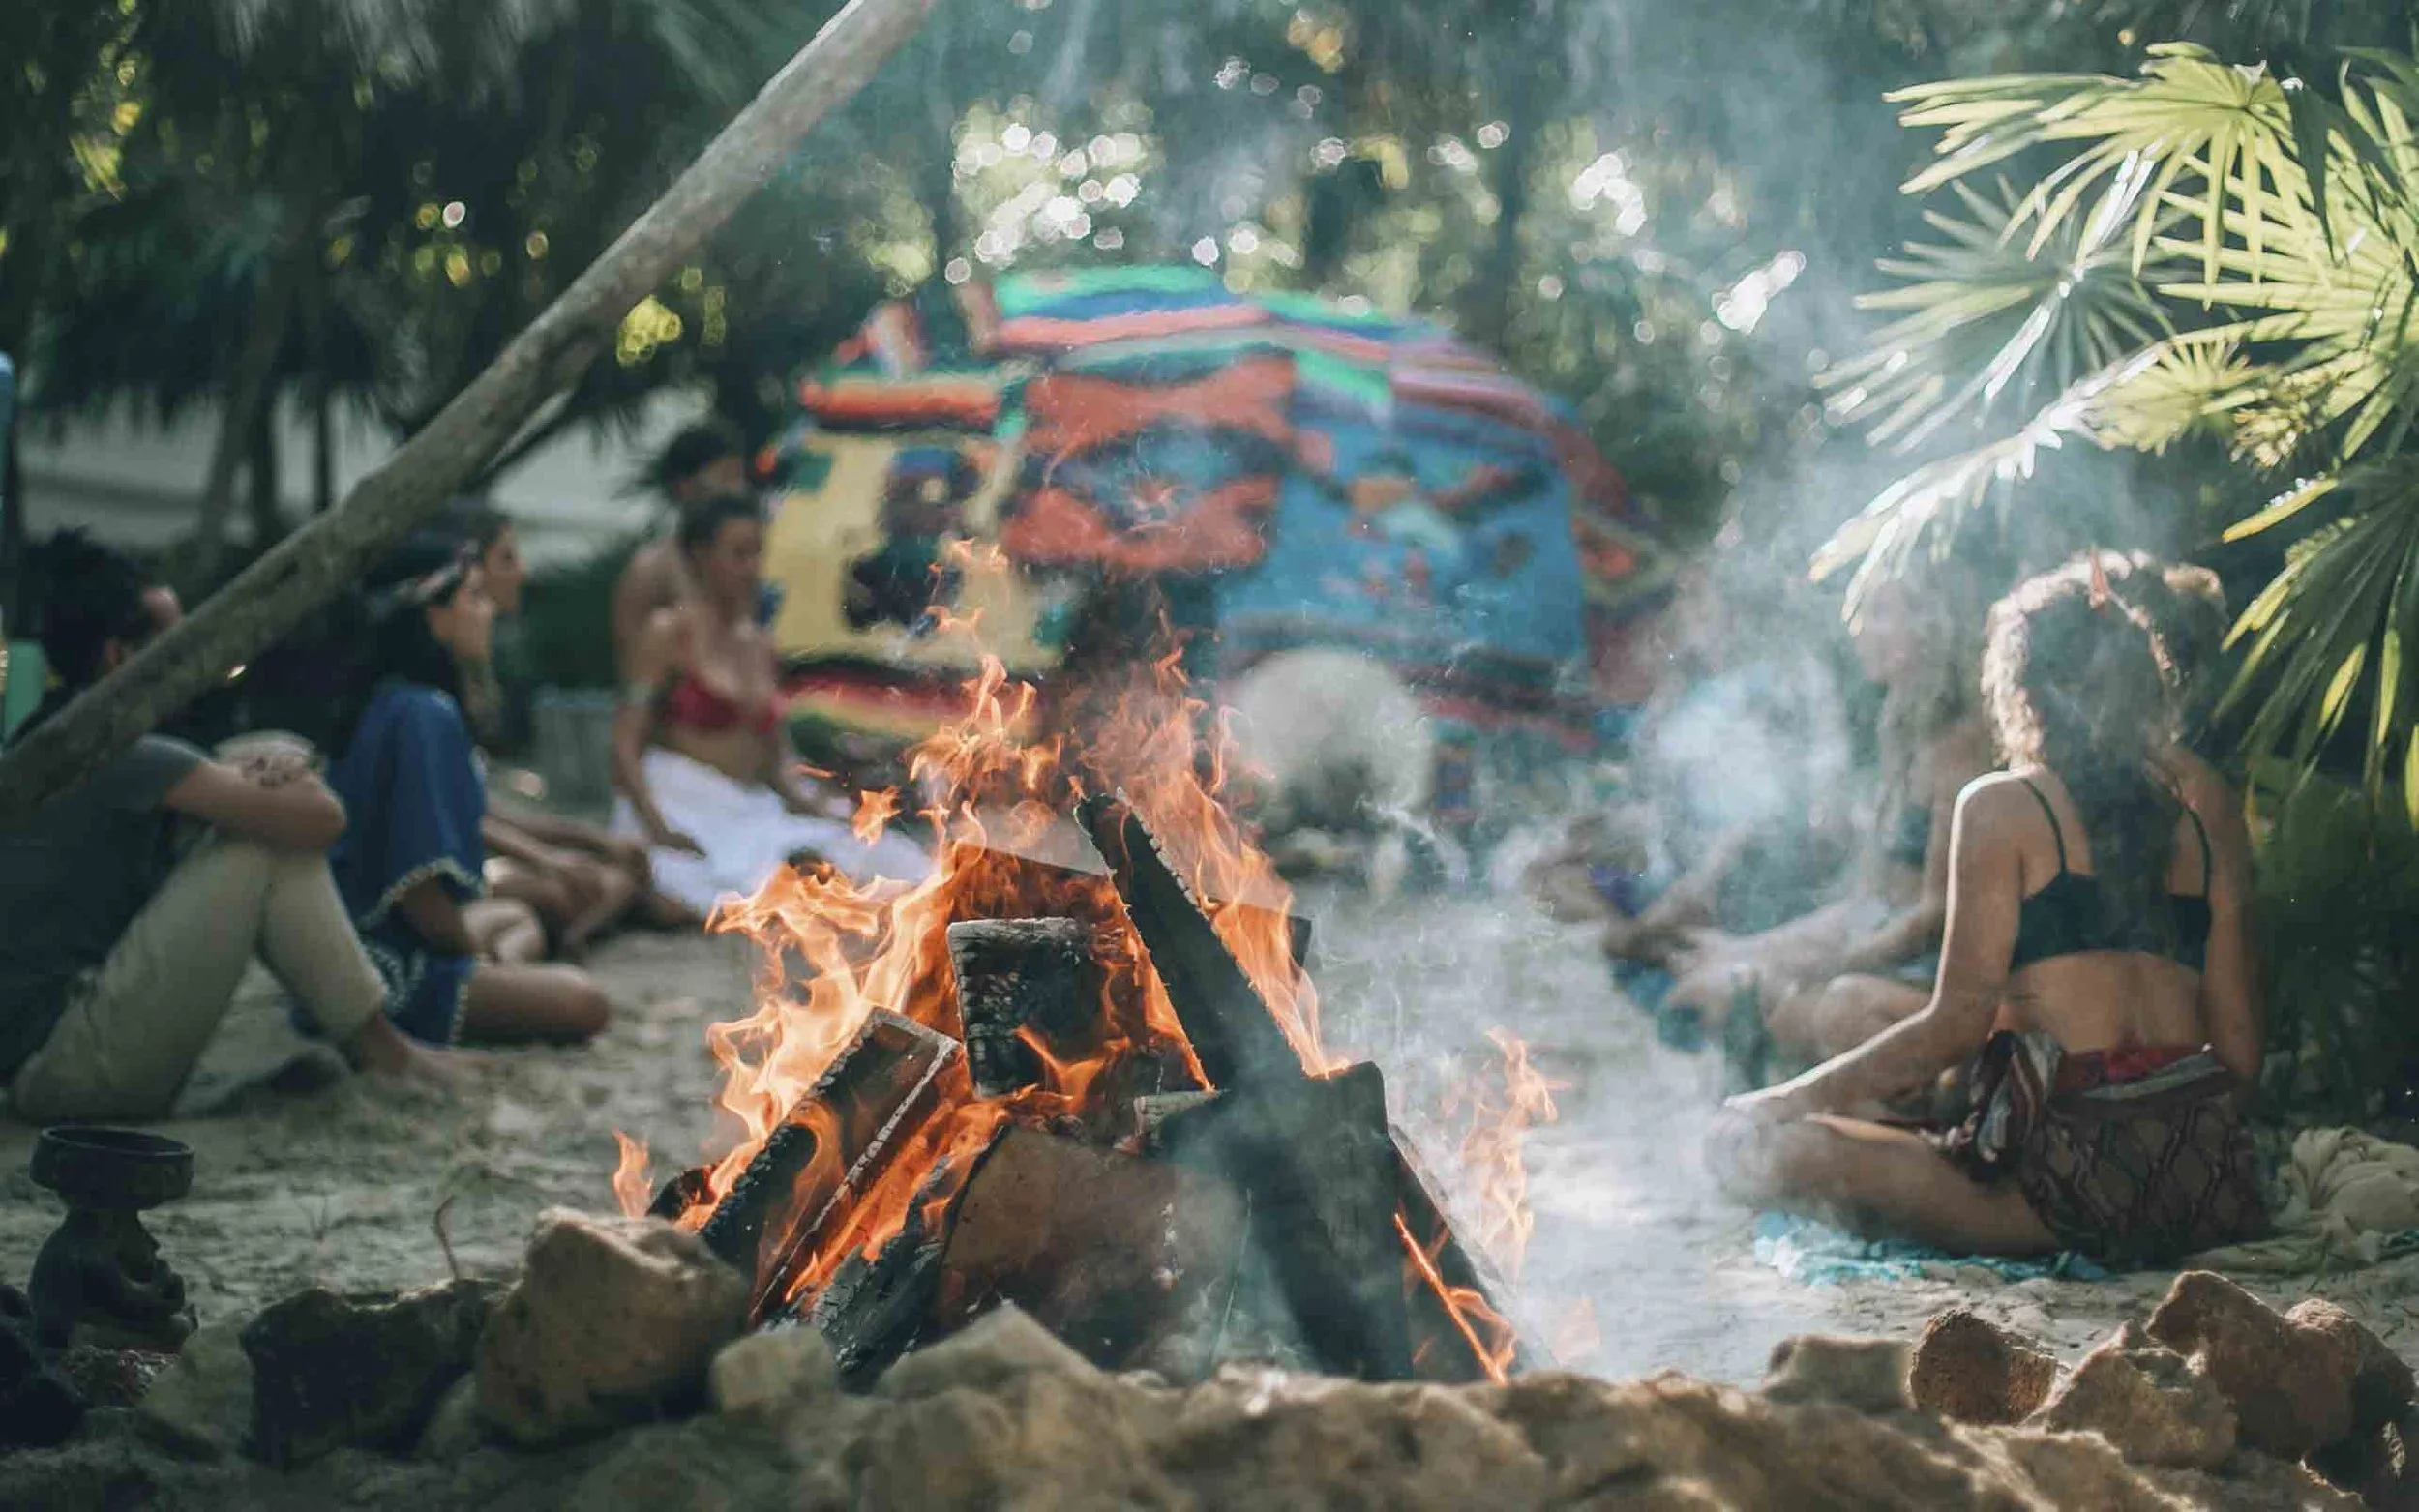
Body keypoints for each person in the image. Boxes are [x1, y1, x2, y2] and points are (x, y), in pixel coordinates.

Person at [1709, 563, 2265, 1263]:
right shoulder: (2208, 802)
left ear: (2022, 690)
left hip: (2072, 1191)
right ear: (2141, 681)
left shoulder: (2004, 806)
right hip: (2210, 1185)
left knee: (1759, 1148)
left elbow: (1952, 1027)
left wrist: (1780, 1099)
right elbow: (2241, 1055)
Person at [0, 532, 451, 1120]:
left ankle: (381, 1047)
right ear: (119, 658)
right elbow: (323, 820)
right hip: (66, 1073)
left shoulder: (60, 735)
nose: (198, 663)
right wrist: (275, 773)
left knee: (260, 796)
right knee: (260, 848)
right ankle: (385, 1050)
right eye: (176, 644)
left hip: (59, 1056)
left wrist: (268, 765)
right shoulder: (117, 750)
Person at [1657, 567, 1997, 1067]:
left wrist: (1813, 964)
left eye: (1881, 613)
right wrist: (1749, 949)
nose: (1860, 629)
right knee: (1700, 974)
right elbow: (1869, 898)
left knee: (1712, 995)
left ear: (1933, 625)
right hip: (1879, 946)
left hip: (1920, 973)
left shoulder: (1960, 747)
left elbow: (1935, 915)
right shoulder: (1902, 727)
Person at [325, 536, 610, 1045]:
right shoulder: (423, 714)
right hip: (393, 969)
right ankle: (496, 979)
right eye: (473, 598)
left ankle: (503, 975)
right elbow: (418, 894)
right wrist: (470, 956)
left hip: (383, 945)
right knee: (585, 1002)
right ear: (432, 616)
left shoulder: (397, 700)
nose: (487, 613)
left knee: (520, 915)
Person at [612, 494, 928, 919]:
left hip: (746, 805)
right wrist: (658, 827)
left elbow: (779, 760)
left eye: (757, 552)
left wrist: (828, 807)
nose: (751, 567)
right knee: (745, 888)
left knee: (882, 858)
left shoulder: (759, 643)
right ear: (701, 557)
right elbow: (625, 745)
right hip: (680, 799)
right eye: (738, 554)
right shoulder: (668, 633)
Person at [446, 500, 665, 954]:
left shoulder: (474, 672)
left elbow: (481, 808)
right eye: (506, 558)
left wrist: (589, 839)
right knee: (589, 885)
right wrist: (551, 860)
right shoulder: (433, 691)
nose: (522, 573)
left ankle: (562, 928)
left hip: (483, 859)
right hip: (451, 873)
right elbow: (466, 820)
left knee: (623, 868)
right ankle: (557, 931)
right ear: (467, 570)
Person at [612, 419, 753, 683]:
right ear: (685, 488)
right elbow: (633, 670)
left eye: (740, 477)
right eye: (726, 476)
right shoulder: (649, 570)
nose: (738, 490)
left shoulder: (745, 568)